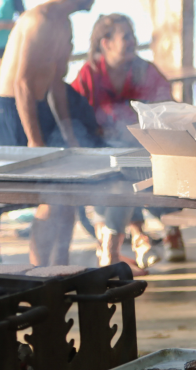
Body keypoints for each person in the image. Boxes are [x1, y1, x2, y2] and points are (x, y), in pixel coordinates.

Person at [0, 0, 105, 267]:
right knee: (51, 197)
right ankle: (40, 273)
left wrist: (70, 135)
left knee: (68, 193)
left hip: (37, 107)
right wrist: (35, 141)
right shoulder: (38, 19)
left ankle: (61, 267)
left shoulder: (62, 22)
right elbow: (24, 83)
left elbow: (55, 84)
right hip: (12, 110)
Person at [71, 14, 183, 269]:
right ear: (105, 43)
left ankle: (114, 247)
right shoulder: (90, 74)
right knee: (119, 178)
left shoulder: (144, 70)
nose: (133, 41)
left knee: (130, 176)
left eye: (132, 35)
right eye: (126, 37)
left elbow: (170, 108)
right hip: (104, 152)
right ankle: (154, 235)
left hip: (146, 149)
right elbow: (75, 115)